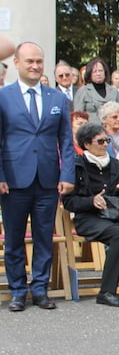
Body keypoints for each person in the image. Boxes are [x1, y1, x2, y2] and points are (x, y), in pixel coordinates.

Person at [0, 42, 76, 311]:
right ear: (17, 64)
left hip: (47, 180)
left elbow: (66, 141)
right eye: (29, 61)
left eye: (39, 61)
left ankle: (41, 289)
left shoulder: (57, 98)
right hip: (13, 179)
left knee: (45, 236)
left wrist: (67, 174)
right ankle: (18, 290)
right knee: (14, 239)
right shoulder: (3, 96)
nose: (35, 66)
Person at [62, 123, 119, 307]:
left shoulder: (114, 164)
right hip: (88, 218)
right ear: (86, 144)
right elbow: (68, 202)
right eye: (100, 141)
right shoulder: (77, 165)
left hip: (114, 215)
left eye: (107, 140)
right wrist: (90, 201)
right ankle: (106, 292)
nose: (105, 145)